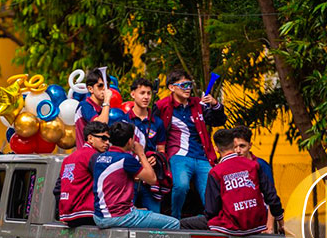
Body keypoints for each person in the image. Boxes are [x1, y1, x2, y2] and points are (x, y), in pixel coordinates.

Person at [180, 129, 284, 234]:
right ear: (234, 145)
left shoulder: (215, 172)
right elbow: (272, 196)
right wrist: (281, 222)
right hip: (257, 225)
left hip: (230, 227)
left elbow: (211, 210)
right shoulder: (253, 165)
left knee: (182, 224)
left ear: (216, 149)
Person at [154, 69, 226, 218]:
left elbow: (218, 121)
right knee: (181, 186)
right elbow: (152, 130)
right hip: (178, 155)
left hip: (202, 156)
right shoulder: (162, 106)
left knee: (209, 193)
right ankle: (175, 219)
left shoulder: (198, 104)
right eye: (183, 85)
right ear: (171, 87)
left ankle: (213, 223)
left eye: (189, 85)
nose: (188, 88)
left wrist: (215, 104)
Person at [92, 121, 179, 229]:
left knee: (145, 211)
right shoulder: (126, 159)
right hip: (118, 216)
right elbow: (152, 179)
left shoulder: (100, 157)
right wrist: (141, 153)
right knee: (174, 223)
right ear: (130, 141)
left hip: (99, 216)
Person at [53, 122, 110, 227]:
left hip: (68, 217)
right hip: (87, 214)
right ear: (90, 138)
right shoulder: (94, 156)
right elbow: (109, 182)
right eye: (103, 138)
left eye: (108, 139)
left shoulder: (68, 159)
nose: (107, 143)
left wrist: (61, 213)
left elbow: (57, 189)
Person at [127, 77, 166, 212]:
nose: (146, 97)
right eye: (142, 93)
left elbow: (161, 149)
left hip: (150, 179)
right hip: (130, 178)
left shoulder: (158, 122)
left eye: (149, 93)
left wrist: (156, 158)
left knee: (155, 218)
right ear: (133, 94)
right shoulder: (125, 119)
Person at [233, 125, 277, 233]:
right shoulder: (228, 166)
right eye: (235, 147)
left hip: (261, 221)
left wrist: (269, 226)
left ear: (250, 145)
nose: (238, 150)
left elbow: (271, 196)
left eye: (242, 146)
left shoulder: (261, 165)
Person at [74, 68, 112, 148]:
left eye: (107, 85)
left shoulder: (104, 108)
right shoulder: (84, 105)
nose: (105, 89)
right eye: (100, 86)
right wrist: (107, 101)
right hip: (86, 153)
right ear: (90, 89)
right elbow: (101, 125)